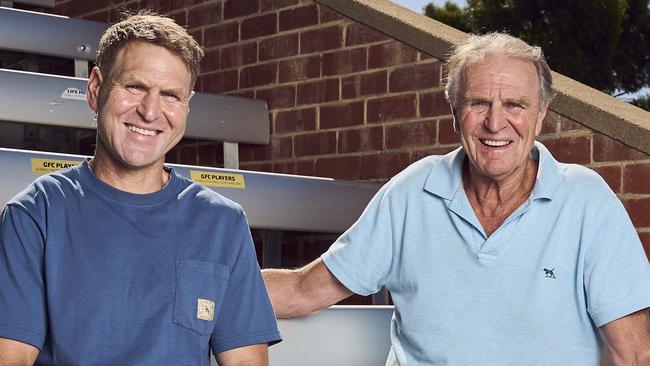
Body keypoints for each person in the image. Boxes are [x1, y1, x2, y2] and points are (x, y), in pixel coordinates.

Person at [262, 33, 650, 365]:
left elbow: (632, 355)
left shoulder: (586, 201)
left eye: (515, 104)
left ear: (542, 113)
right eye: (478, 103)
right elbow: (304, 289)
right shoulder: (412, 192)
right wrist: (206, 279)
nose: (495, 123)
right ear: (453, 111)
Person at [0, 12, 280, 365]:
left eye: (170, 95)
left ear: (186, 106)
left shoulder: (222, 222)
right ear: (96, 89)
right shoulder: (36, 212)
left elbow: (243, 361)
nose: (150, 111)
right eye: (135, 87)